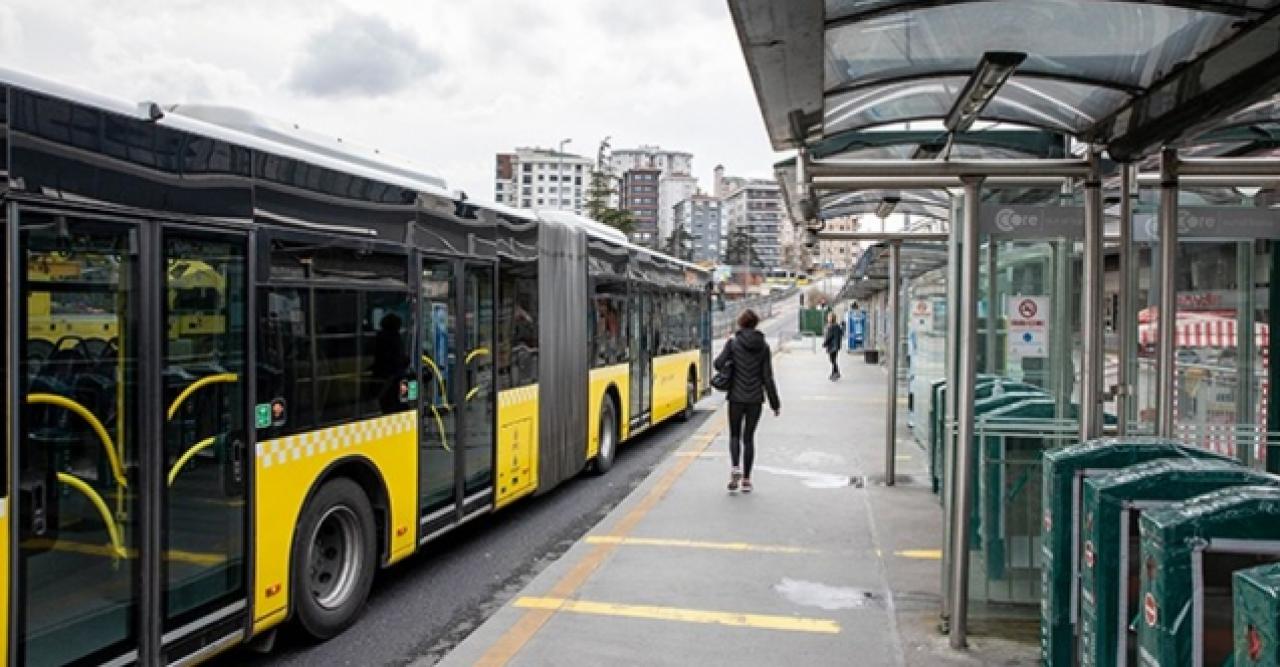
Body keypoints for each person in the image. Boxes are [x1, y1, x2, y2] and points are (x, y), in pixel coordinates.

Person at [713, 308, 781, 493]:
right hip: (755, 399)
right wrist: (775, 404)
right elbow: (768, 377)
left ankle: (735, 467)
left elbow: (717, 364)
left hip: (735, 397)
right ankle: (747, 480)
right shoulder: (764, 346)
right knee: (748, 438)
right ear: (756, 323)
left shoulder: (733, 343)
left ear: (741, 323)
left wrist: (729, 358)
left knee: (734, 435)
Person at [823, 310, 844, 381]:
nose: (828, 318)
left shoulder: (832, 326)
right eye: (828, 317)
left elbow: (829, 336)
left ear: (832, 318)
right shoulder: (837, 326)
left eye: (829, 317)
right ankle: (834, 372)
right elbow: (841, 333)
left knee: (833, 360)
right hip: (836, 345)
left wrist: (825, 343)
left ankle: (836, 373)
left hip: (833, 346)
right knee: (833, 359)